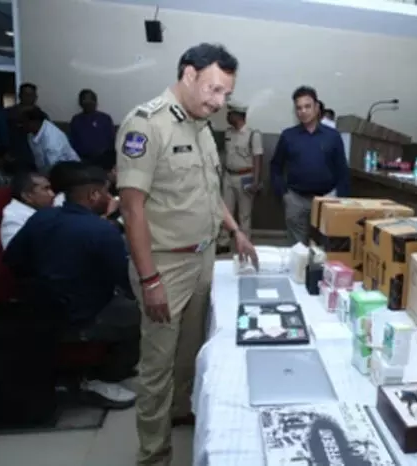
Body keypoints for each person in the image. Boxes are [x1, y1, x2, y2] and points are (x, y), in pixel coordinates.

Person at [116, 42, 258, 466]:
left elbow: (210, 193)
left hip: (203, 257)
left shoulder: (201, 128)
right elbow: (132, 209)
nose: (219, 102)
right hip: (164, 265)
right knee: (157, 365)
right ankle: (153, 455)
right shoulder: (146, 124)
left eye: (226, 94)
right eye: (214, 90)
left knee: (191, 350)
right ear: (189, 75)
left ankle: (181, 412)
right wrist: (150, 280)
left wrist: (236, 231)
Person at [3, 164, 138, 408]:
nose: (110, 198)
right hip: (81, 316)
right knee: (145, 313)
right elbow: (126, 282)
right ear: (94, 195)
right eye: (106, 192)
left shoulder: (40, 218)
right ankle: (99, 379)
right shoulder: (101, 232)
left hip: (36, 310)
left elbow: (13, 260)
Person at [270, 86, 349, 245]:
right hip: (296, 199)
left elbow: (342, 170)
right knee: (297, 249)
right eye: (299, 108)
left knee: (326, 247)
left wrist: (341, 200)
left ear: (317, 107)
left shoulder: (332, 136)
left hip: (326, 200)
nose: (303, 111)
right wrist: (284, 194)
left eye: (307, 106)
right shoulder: (288, 136)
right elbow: (275, 166)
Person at [217, 101, 263, 253]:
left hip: (245, 177)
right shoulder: (228, 133)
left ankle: (245, 243)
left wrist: (255, 181)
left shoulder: (253, 134)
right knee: (225, 211)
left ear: (238, 116)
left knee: (244, 214)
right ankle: (223, 242)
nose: (227, 117)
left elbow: (257, 158)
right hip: (228, 176)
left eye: (230, 114)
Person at [0, 171, 55, 249]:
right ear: (27, 196)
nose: (52, 194)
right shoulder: (13, 220)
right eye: (46, 189)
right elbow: (16, 254)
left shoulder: (47, 209)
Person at [22, 106, 80, 173]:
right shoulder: (31, 133)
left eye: (23, 122)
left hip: (69, 172)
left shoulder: (51, 138)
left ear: (35, 122)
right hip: (48, 170)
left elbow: (54, 168)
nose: (21, 125)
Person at [5, 83, 48, 171]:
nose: (28, 98)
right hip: (13, 158)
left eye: (31, 95)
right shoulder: (8, 114)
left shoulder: (42, 116)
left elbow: (47, 137)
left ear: (36, 97)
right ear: (19, 96)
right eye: (26, 94)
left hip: (35, 159)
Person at [69, 89, 116, 161]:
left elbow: (112, 141)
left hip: (104, 158)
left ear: (96, 102)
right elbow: (72, 142)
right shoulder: (76, 120)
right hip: (83, 159)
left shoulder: (105, 118)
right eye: (85, 99)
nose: (88, 102)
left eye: (91, 99)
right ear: (80, 103)